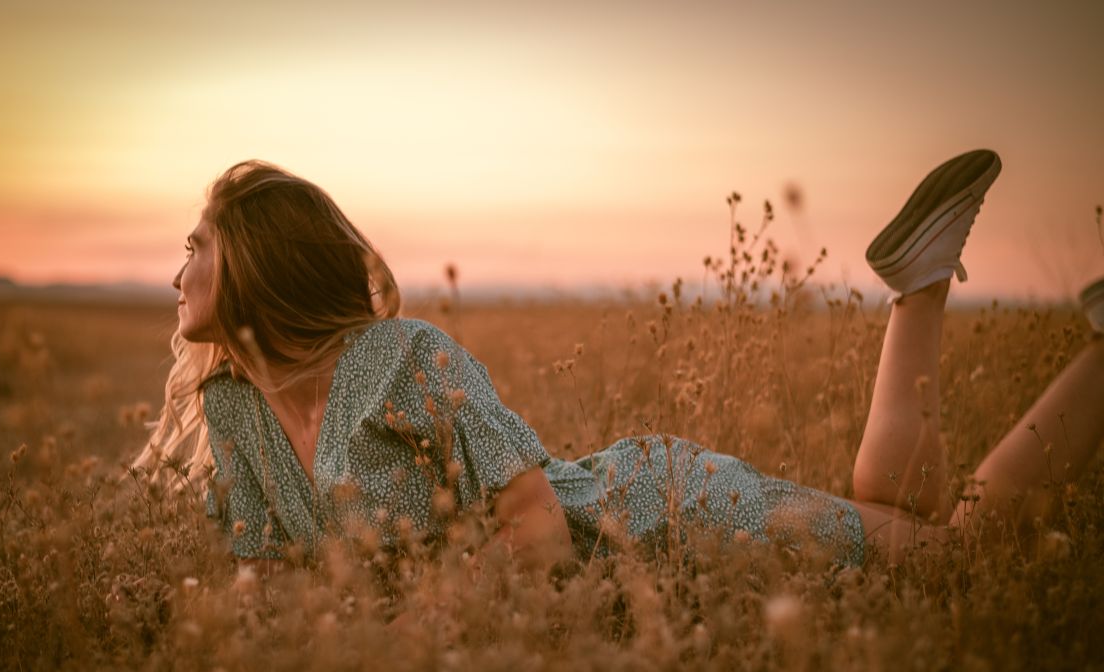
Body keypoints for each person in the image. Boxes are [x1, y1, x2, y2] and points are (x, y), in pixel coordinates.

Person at [133, 151, 1104, 573]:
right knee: (916, 533)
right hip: (638, 573)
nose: (177, 273)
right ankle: (921, 283)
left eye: (197, 248)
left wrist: (416, 635)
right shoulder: (237, 409)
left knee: (961, 562)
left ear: (260, 263)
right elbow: (268, 577)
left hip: (665, 521)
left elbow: (539, 532)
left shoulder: (403, 358)